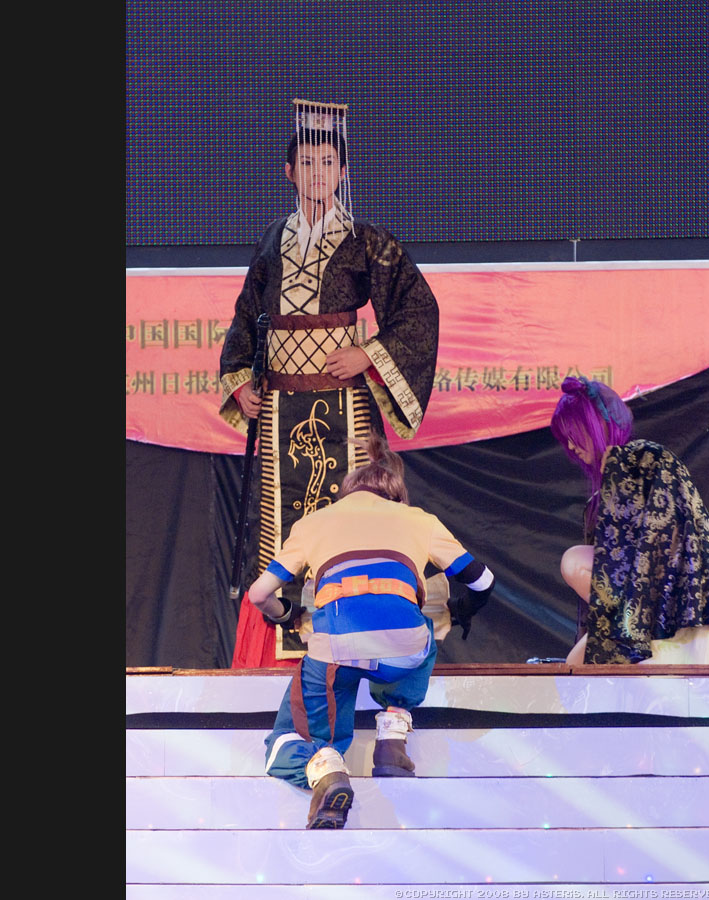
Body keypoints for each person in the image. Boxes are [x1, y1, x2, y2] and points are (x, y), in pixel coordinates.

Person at [219, 101, 440, 667]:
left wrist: (368, 353)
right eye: (306, 162)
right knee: (280, 534)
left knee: (355, 517)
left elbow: (417, 308)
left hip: (343, 404)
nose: (317, 172)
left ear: (342, 172)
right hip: (280, 410)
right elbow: (247, 316)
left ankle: (358, 641)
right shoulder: (272, 239)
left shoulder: (366, 239)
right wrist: (242, 380)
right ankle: (282, 653)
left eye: (327, 162)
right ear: (288, 172)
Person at [247, 432, 495, 828]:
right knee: (423, 626)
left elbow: (259, 594)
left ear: (348, 493)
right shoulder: (419, 520)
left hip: (335, 649)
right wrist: (463, 609)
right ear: (396, 496)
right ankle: (393, 734)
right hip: (403, 651)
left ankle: (325, 765)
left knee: (290, 733)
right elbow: (483, 581)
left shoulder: (314, 523)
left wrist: (288, 614)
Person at [549, 376, 709, 665]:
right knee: (573, 667)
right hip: (638, 607)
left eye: (574, 432)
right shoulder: (599, 499)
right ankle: (630, 635)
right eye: (564, 437)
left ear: (597, 423)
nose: (570, 445)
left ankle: (639, 636)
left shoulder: (646, 458)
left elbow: (674, 540)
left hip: (673, 604)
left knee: (573, 560)